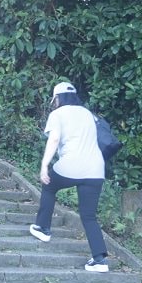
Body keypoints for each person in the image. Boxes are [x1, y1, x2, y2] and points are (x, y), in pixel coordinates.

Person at [29, 81, 109, 272]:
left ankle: (43, 228)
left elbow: (54, 139)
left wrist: (44, 166)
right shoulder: (88, 114)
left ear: (57, 98)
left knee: (49, 185)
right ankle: (99, 260)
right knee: (88, 215)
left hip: (71, 165)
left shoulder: (58, 114)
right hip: (96, 169)